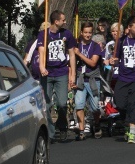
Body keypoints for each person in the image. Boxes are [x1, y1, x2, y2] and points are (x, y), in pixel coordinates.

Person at [108, 15, 135, 144]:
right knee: (120, 103)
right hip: (123, 78)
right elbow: (115, 59)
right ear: (129, 27)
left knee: (134, 104)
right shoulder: (121, 41)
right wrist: (113, 61)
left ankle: (132, 132)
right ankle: (127, 124)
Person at [38, 10, 76, 141]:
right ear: (56, 21)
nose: (65, 22)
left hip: (61, 72)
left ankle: (62, 126)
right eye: (63, 20)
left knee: (61, 103)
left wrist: (73, 74)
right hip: (47, 73)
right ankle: (51, 133)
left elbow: (71, 54)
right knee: (47, 105)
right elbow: (41, 52)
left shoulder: (67, 34)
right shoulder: (43, 35)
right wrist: (42, 67)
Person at [73, 21, 104, 140]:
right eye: (85, 32)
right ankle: (81, 130)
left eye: (90, 32)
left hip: (92, 79)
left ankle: (96, 124)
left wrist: (79, 54)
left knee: (95, 107)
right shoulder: (77, 45)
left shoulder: (95, 46)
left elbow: (93, 62)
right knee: (79, 104)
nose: (88, 35)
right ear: (81, 33)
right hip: (80, 79)